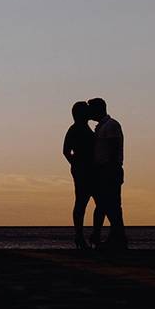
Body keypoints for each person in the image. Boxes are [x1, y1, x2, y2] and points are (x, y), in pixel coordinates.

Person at [62, 101, 101, 249]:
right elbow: (66, 150)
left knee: (97, 202)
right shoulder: (74, 129)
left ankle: (94, 235)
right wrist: (76, 163)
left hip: (91, 170)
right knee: (82, 202)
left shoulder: (85, 128)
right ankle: (80, 236)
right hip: (83, 171)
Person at [89, 97, 127, 249]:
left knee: (111, 205)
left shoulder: (111, 126)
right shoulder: (102, 127)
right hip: (104, 169)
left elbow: (114, 147)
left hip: (109, 169)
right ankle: (114, 236)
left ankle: (116, 237)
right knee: (106, 205)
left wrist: (108, 169)